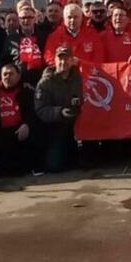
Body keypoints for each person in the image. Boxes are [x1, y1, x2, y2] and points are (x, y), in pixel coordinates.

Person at [35, 45, 83, 173]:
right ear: (55, 60)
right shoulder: (45, 82)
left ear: (72, 60)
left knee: (84, 162)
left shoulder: (78, 77)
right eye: (60, 59)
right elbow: (41, 109)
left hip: (77, 124)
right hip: (55, 126)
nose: (63, 62)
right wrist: (60, 112)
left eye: (67, 59)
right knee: (55, 166)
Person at [0, 62, 36, 174]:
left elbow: (32, 112)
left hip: (21, 131)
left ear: (18, 76)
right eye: (5, 74)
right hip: (1, 135)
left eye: (11, 74)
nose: (7, 77)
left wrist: (26, 124)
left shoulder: (26, 91)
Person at [9, 6, 47, 85]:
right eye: (23, 18)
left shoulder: (44, 36)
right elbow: (5, 60)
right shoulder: (11, 39)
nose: (26, 20)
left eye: (29, 17)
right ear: (19, 20)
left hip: (40, 80)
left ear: (35, 19)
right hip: (18, 81)